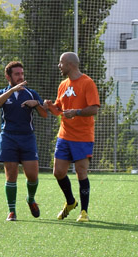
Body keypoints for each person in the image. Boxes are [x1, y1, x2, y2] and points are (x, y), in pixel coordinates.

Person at [44, 52, 100, 222]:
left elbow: (94, 108)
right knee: (58, 172)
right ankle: (70, 202)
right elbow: (58, 110)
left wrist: (76, 112)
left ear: (70, 64)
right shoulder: (62, 85)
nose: (59, 66)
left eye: (61, 63)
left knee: (81, 172)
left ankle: (84, 212)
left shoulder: (87, 83)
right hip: (64, 135)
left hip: (83, 136)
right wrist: (49, 106)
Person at [0, 61, 47, 221]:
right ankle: (12, 211)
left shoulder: (31, 93)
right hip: (8, 137)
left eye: (22, 74)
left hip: (27, 137)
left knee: (32, 175)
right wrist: (12, 91)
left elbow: (44, 114)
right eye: (17, 74)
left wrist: (36, 104)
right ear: (8, 76)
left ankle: (31, 199)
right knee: (11, 176)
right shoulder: (1, 93)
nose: (20, 77)